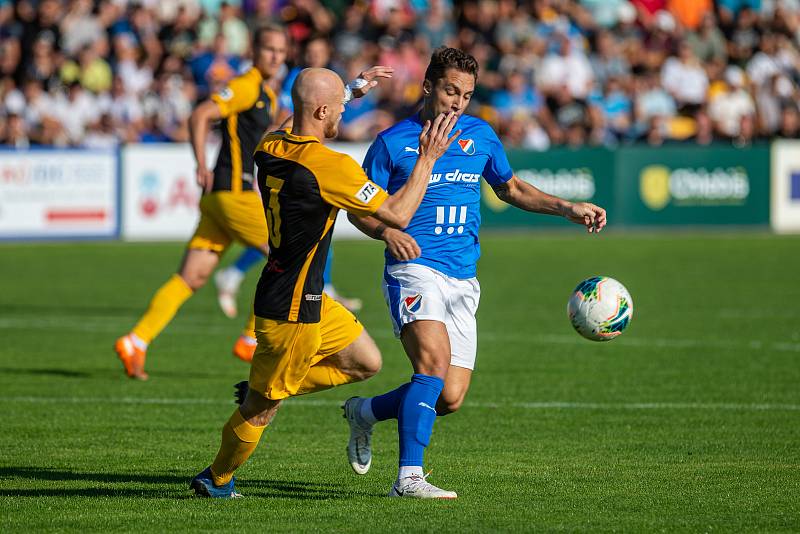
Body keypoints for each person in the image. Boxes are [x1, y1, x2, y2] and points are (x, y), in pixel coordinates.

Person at [342, 47, 607, 499]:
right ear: (428, 87)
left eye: (466, 94)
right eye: (450, 91)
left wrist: (567, 208)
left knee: (449, 397)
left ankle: (364, 412)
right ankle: (408, 478)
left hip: (463, 277)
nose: (457, 102)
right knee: (432, 365)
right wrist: (386, 235)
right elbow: (358, 212)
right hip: (414, 269)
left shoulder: (479, 135)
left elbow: (511, 188)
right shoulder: (392, 143)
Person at [189, 67, 460, 498]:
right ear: (320, 110)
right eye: (337, 109)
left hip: (297, 292)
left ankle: (271, 388)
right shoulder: (331, 167)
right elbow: (398, 213)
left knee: (365, 361)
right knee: (261, 409)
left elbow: (295, 118)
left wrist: (347, 90)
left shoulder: (270, 144)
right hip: (293, 309)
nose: (343, 116)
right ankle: (217, 477)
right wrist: (427, 156)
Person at [113, 25, 289, 379]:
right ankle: (251, 338)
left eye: (281, 51)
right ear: (254, 50)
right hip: (230, 193)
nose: (275, 56)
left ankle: (136, 341)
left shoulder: (267, 96)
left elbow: (258, 137)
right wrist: (199, 164)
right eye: (269, 49)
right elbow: (200, 115)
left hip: (221, 200)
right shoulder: (244, 86)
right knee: (285, 254)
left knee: (190, 277)